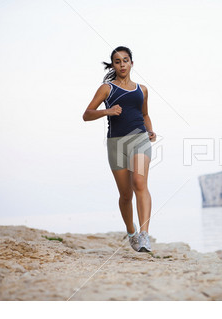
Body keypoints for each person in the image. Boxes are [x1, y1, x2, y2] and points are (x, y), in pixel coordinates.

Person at [82, 46, 156, 252]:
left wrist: (150, 130)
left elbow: (145, 114)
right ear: (113, 65)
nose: (122, 64)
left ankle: (144, 235)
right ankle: (131, 232)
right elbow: (87, 114)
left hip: (140, 139)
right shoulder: (107, 88)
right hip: (116, 143)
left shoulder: (142, 90)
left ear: (132, 63)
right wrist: (108, 110)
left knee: (140, 183)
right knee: (125, 195)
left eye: (125, 60)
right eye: (117, 61)